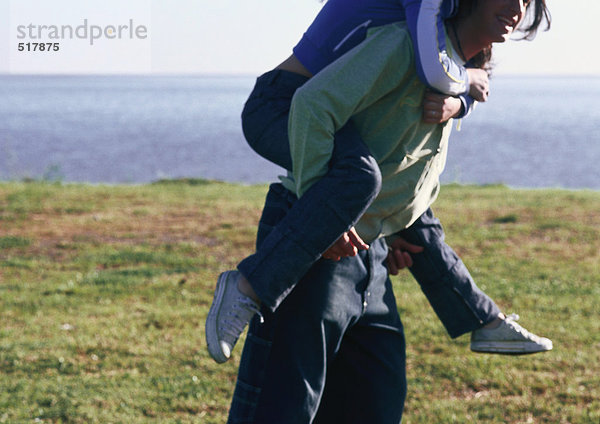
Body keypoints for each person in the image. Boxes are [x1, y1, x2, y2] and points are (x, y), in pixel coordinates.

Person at [223, 1, 551, 422]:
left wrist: (389, 227)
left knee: (375, 402)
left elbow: (397, 160)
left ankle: (482, 319)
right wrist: (322, 221)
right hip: (319, 234)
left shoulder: (443, 64)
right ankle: (247, 285)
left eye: (527, 0)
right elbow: (312, 107)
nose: (517, 8)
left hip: (371, 253)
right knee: (282, 408)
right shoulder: (408, 43)